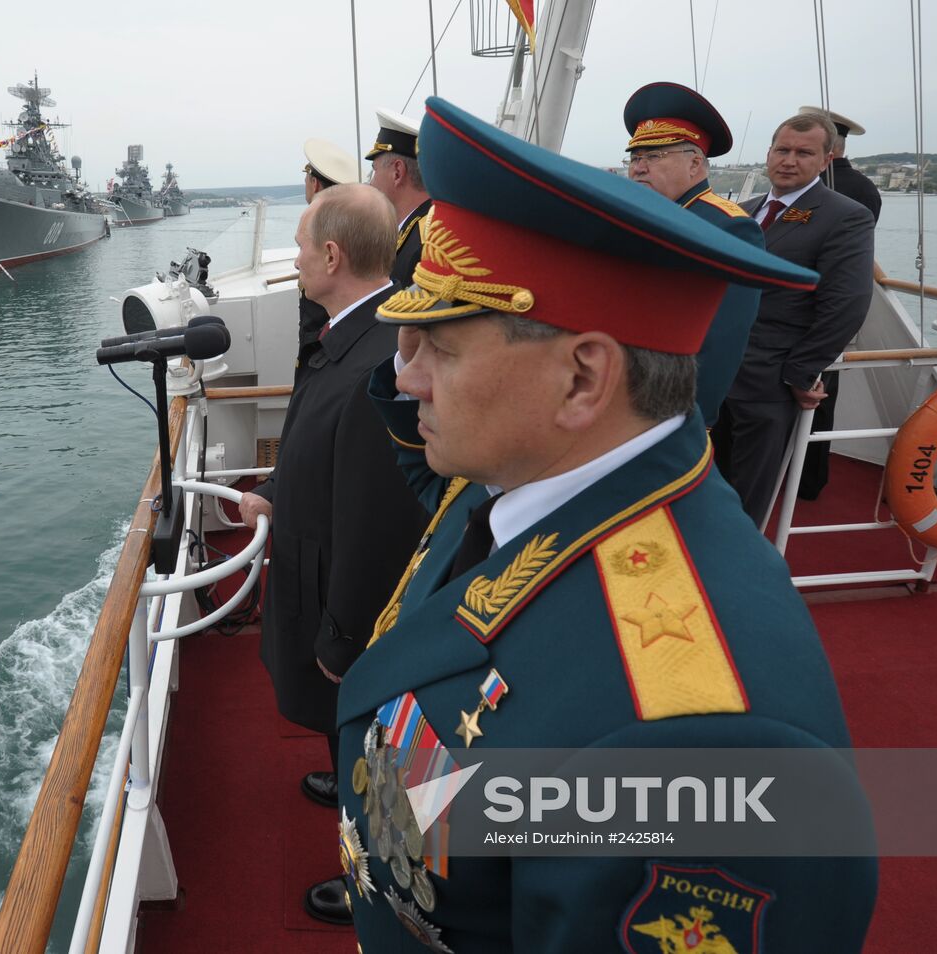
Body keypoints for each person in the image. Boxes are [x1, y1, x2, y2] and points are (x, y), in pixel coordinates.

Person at [334, 97, 876, 952]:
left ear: (584, 380)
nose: (406, 380)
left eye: (438, 346)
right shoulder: (516, 481)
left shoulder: (698, 741)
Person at [238, 183, 427, 926]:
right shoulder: (352, 336)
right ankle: (345, 775)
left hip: (344, 609)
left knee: (373, 749)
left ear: (331, 254)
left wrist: (345, 639)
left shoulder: (376, 361)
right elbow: (321, 449)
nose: (293, 257)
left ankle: (379, 885)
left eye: (299, 243)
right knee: (344, 738)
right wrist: (278, 490)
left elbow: (377, 523)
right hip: (316, 580)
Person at [714, 112, 875, 527]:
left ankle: (736, 573)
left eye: (804, 153)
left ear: (825, 160)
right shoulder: (742, 212)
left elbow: (847, 303)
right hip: (719, 372)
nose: (789, 160)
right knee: (708, 479)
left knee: (748, 493)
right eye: (782, 150)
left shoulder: (844, 216)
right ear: (768, 154)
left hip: (771, 378)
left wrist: (801, 373)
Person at [622, 82, 765, 426]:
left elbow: (720, 342)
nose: (639, 167)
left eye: (654, 156)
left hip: (666, 412)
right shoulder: (633, 219)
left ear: (695, 164)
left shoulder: (729, 229)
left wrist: (687, 422)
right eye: (635, 158)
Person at [797, 106, 882, 499]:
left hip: (804, 308)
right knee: (822, 398)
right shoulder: (866, 188)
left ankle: (798, 476)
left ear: (828, 145)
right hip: (833, 313)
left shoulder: (819, 187)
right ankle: (810, 479)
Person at [297, 138, 362, 355]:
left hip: (324, 342)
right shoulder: (355, 225)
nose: (298, 263)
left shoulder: (318, 228)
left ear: (314, 183)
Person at [366, 108, 432, 289]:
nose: (371, 183)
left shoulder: (426, 243)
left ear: (397, 172)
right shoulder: (417, 231)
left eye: (375, 170)